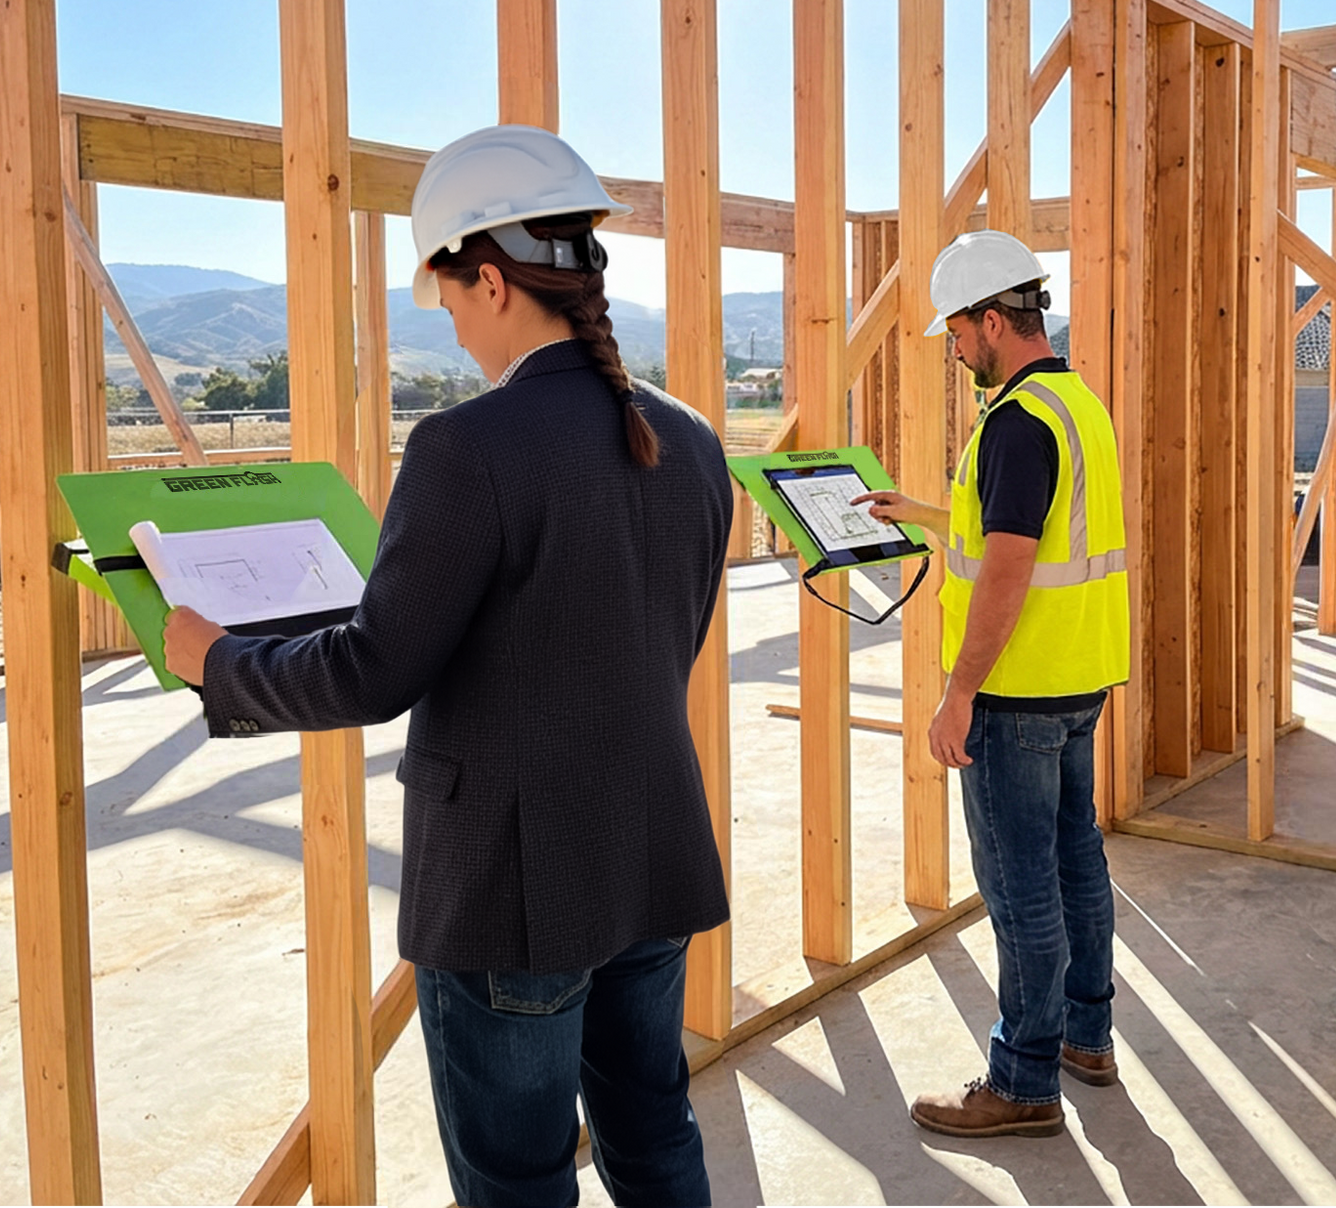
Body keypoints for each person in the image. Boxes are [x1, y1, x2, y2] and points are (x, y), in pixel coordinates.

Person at [161, 125, 731, 1206]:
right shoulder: (695, 438)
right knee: (655, 1134)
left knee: (514, 1179)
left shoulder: (467, 446)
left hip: (514, 897)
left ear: (489, 276)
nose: (461, 332)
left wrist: (219, 662)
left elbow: (377, 670)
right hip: (651, 855)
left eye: (456, 301)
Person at [855, 229, 1130, 1138]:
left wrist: (958, 690)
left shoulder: (1016, 419)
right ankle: (1087, 1040)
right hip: (1078, 677)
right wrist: (925, 513)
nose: (955, 349)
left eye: (957, 333)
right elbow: (1018, 527)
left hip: (1014, 694)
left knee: (1020, 888)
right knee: (1076, 863)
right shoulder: (1073, 402)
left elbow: (1011, 565)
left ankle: (1021, 1081)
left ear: (989, 319)